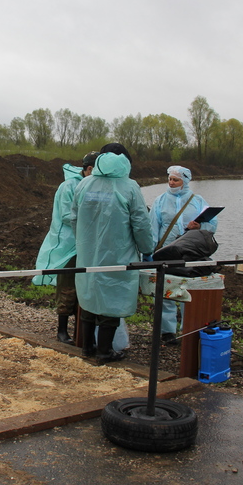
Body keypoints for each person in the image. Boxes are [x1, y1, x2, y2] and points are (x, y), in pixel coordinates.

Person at [71, 143, 155, 363]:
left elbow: (73, 217)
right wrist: (147, 249)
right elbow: (141, 223)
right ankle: (104, 351)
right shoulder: (129, 187)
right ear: (125, 162)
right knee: (112, 299)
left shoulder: (85, 184)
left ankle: (87, 347)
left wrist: (83, 241)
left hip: (88, 252)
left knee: (89, 295)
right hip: (117, 253)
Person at [32, 151, 98, 344]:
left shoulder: (92, 184)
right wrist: (94, 223)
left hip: (85, 244)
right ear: (89, 169)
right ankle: (62, 331)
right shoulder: (68, 186)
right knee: (67, 286)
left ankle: (81, 332)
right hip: (69, 245)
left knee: (84, 287)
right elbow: (67, 216)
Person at [149, 165, 219, 344]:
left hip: (190, 253)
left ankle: (188, 329)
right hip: (166, 252)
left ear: (185, 181)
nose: (171, 183)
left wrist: (201, 226)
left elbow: (212, 224)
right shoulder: (160, 201)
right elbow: (153, 227)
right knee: (165, 290)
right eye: (170, 179)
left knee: (189, 290)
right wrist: (150, 252)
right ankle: (167, 332)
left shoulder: (197, 201)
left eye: (176, 180)